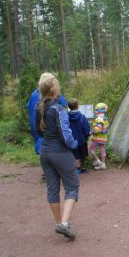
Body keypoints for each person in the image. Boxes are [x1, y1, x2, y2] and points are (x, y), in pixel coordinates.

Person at [35, 73, 79, 240]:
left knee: (52, 189)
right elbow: (66, 136)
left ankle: (60, 223)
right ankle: (64, 224)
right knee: (72, 187)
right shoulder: (59, 109)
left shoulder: (38, 107)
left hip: (44, 152)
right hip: (60, 152)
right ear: (55, 89)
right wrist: (75, 144)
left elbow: (38, 131)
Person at [27, 75, 67, 155]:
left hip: (36, 125)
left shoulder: (34, 94)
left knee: (43, 149)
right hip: (49, 130)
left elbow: (28, 106)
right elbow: (64, 105)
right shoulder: (55, 95)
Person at [67, 98, 91, 174]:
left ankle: (76, 167)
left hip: (71, 140)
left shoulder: (66, 117)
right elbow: (86, 128)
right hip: (81, 140)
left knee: (74, 154)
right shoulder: (82, 117)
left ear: (69, 107)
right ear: (78, 106)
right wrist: (87, 136)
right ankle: (80, 167)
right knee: (82, 154)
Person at [89, 102, 109, 170]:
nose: (95, 111)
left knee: (90, 149)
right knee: (102, 150)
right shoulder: (105, 118)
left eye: (96, 109)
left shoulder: (99, 118)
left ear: (100, 110)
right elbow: (105, 129)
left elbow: (98, 129)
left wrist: (91, 132)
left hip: (97, 138)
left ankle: (97, 161)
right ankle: (103, 164)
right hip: (103, 138)